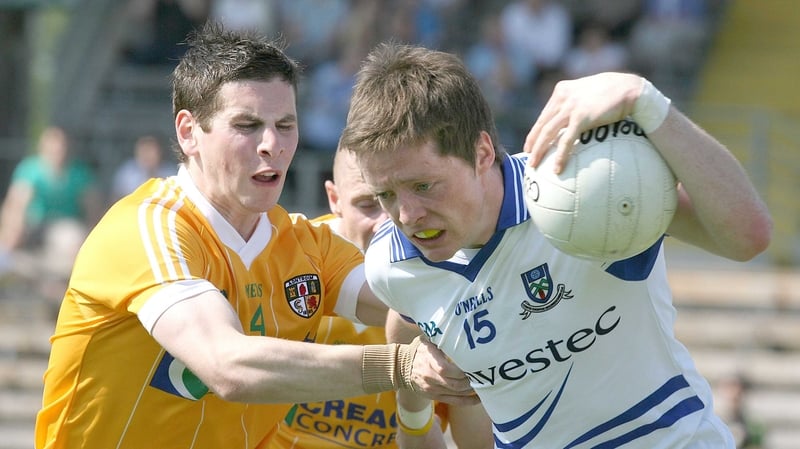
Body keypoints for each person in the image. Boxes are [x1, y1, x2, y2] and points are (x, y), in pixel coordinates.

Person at [34, 23, 476, 449]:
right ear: (189, 132)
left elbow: (420, 301)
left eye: (285, 125)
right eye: (247, 126)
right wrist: (400, 365)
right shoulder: (147, 229)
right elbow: (227, 366)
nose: (272, 145)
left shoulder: (308, 246)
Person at [340, 42, 773, 448]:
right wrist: (412, 400)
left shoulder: (585, 187)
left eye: (423, 185)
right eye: (386, 195)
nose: (406, 215)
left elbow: (746, 237)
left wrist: (645, 100)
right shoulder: (391, 262)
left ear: (482, 153)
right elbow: (405, 316)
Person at [266, 145, 492, 449]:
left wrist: (416, 415)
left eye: (402, 196)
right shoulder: (286, 261)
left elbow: (478, 444)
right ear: (335, 199)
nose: (390, 222)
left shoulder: (458, 285)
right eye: (369, 204)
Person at [0, 125, 103, 286]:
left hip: (64, 226)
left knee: (75, 242)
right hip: (33, 224)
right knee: (13, 234)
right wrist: (11, 229)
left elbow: (92, 207)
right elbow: (16, 203)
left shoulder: (79, 172)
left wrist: (93, 238)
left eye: (60, 146)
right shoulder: (30, 169)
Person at [110, 134, 176, 202]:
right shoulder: (127, 172)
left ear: (160, 152)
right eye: (144, 150)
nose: (147, 155)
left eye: (150, 150)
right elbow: (116, 198)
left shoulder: (170, 173)